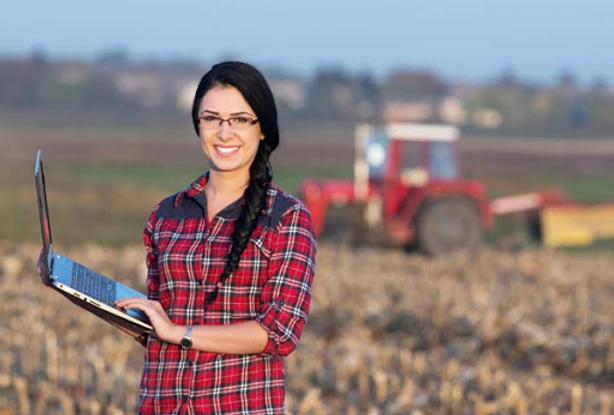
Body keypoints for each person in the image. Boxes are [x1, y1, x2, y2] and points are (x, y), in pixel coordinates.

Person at [96, 61, 317, 414]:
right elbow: (159, 328)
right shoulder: (166, 215)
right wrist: (91, 298)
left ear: (262, 129)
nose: (224, 133)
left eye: (240, 119)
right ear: (197, 125)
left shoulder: (287, 219)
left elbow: (279, 332)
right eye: (211, 118)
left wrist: (181, 332)